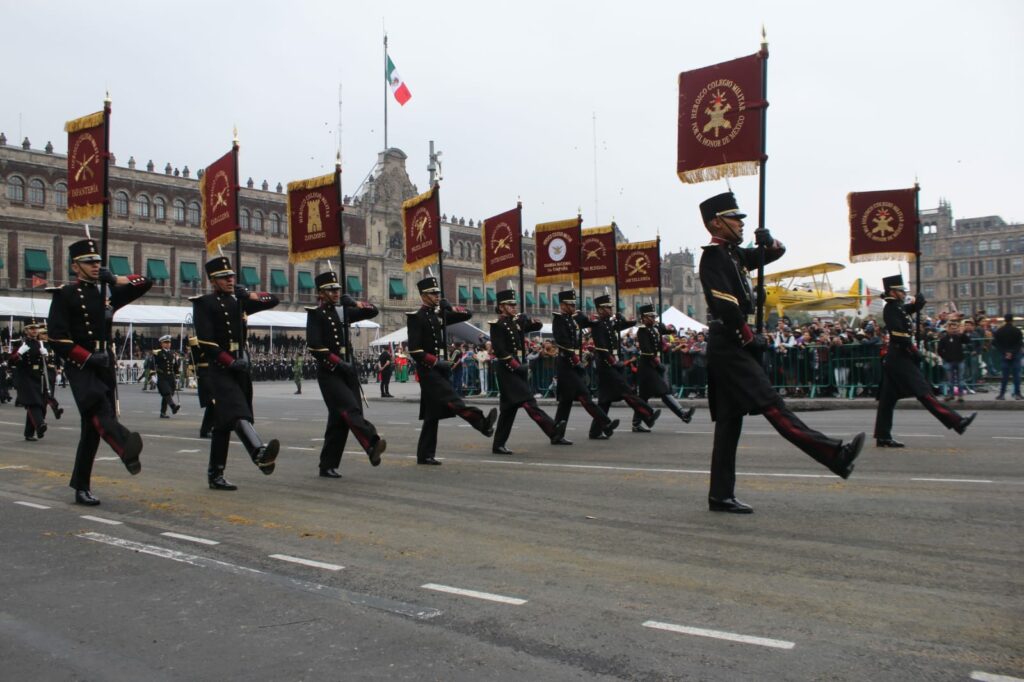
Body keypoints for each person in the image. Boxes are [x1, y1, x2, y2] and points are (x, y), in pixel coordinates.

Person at [698, 192, 864, 513]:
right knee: (773, 407)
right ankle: (834, 455)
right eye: (735, 218)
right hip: (730, 346)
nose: (741, 223)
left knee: (730, 424)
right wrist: (748, 337)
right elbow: (725, 305)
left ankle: (720, 495)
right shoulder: (714, 257)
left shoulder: (734, 255)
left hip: (731, 346)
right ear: (717, 222)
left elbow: (773, 254)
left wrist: (769, 240)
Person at [47, 238, 151, 505]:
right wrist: (87, 357)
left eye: (97, 262)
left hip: (105, 363)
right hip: (81, 364)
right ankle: (124, 445)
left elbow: (146, 282)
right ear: (75, 266)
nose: (95, 266)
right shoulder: (65, 295)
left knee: (91, 431)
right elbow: (57, 337)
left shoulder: (106, 293)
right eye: (89, 262)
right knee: (97, 407)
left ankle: (81, 486)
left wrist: (116, 279)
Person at [191, 255, 281, 490]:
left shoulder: (239, 301)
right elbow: (207, 343)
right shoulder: (204, 304)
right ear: (213, 280)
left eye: (232, 276)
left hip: (241, 368)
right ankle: (259, 452)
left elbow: (274, 300)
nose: (230, 279)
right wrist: (229, 362)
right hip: (221, 369)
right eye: (224, 277)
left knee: (223, 425)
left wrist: (249, 295)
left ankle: (215, 475)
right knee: (238, 412)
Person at [873, 274, 976, 447]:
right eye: (900, 290)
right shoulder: (890, 308)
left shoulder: (898, 307)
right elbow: (898, 334)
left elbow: (915, 307)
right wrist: (912, 348)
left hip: (897, 358)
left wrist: (919, 298)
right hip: (899, 358)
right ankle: (956, 422)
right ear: (892, 291)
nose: (903, 293)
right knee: (923, 392)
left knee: (887, 401)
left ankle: (883, 436)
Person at [407, 276, 497, 465]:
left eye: (438, 293)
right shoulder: (417, 317)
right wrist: (435, 362)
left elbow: (467, 314)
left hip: (439, 370)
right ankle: (482, 423)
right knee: (454, 401)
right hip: (428, 370)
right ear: (423, 295)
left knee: (432, 416)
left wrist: (449, 308)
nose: (437, 296)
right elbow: (414, 350)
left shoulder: (438, 315)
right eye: (433, 293)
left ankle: (425, 455)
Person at [306, 269, 386, 478]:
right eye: (330, 290)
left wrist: (354, 303)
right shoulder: (316, 314)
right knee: (349, 410)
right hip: (330, 372)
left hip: (348, 372)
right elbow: (314, 346)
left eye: (337, 289)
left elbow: (373, 311)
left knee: (339, 420)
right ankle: (372, 443)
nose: (335, 293)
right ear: (320, 293)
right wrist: (338, 362)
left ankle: (327, 464)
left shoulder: (343, 312)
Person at [489, 289, 567, 454]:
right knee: (528, 402)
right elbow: (500, 350)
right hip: (508, 370)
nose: (514, 307)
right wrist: (516, 366)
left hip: (518, 368)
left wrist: (527, 319)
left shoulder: (516, 322)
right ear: (501, 307)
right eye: (510, 304)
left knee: (508, 410)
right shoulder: (497, 325)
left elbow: (536, 326)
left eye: (514, 304)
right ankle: (553, 429)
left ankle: (498, 444)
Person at [587, 295, 661, 439]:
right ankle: (648, 414)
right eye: (607, 307)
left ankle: (595, 431)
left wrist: (622, 319)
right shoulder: (597, 324)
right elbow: (601, 347)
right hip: (606, 365)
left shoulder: (609, 323)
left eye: (610, 307)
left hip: (612, 364)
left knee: (605, 400)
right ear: (600, 309)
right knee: (627, 390)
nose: (610, 310)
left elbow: (628, 324)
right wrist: (613, 362)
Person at [551, 289, 619, 444]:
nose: (573, 306)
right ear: (562, 305)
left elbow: (590, 323)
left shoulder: (573, 319)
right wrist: (575, 360)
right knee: (584, 396)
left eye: (574, 304)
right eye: (570, 304)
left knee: (566, 402)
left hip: (572, 364)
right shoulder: (559, 319)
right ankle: (605, 422)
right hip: (566, 364)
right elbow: (563, 342)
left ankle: (556, 434)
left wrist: (580, 315)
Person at [631, 305, 697, 432]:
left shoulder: (654, 328)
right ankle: (683, 414)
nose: (654, 318)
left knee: (643, 397)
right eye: (651, 316)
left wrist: (669, 329)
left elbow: (666, 333)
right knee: (663, 391)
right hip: (647, 366)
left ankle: (636, 423)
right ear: (644, 318)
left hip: (652, 366)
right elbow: (647, 351)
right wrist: (657, 364)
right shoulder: (642, 331)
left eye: (654, 316)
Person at [10, 322, 48, 441]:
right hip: (25, 377)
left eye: (36, 329)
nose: (34, 331)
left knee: (39, 403)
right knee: (33, 402)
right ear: (26, 331)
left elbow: (43, 364)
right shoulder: (21, 343)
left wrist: (45, 356)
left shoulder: (40, 343)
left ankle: (29, 433)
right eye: (31, 329)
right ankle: (40, 424)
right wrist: (19, 353)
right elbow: (11, 362)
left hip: (37, 377)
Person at [187, 335, 215, 438]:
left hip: (215, 373)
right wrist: (191, 376)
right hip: (205, 374)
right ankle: (205, 430)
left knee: (215, 404)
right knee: (212, 402)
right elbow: (194, 359)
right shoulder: (197, 342)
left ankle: (210, 427)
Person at [936, 318, 970, 403]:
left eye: (955, 328)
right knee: (950, 380)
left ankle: (960, 395)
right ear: (948, 329)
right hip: (949, 361)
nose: (954, 330)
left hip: (959, 360)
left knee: (960, 379)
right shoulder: (944, 339)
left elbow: (967, 341)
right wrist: (945, 357)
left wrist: (962, 334)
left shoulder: (959, 337)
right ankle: (951, 395)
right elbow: (939, 350)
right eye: (952, 328)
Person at [993, 313, 1023, 400]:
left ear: (1004, 320)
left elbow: (995, 343)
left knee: (1004, 376)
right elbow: (1019, 344)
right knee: (1016, 375)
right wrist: (1012, 352)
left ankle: (1002, 394)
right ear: (1012, 320)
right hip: (1015, 355)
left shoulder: (999, 331)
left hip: (1004, 355)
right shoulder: (1017, 330)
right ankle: (1017, 394)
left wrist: (1005, 352)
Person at [153, 334, 181, 418]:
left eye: (169, 342)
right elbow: (152, 364)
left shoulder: (173, 354)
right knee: (166, 392)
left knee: (168, 395)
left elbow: (175, 367)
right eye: (165, 342)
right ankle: (173, 407)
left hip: (170, 377)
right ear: (162, 344)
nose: (168, 344)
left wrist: (177, 377)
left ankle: (162, 413)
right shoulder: (158, 353)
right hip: (162, 376)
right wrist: (152, 375)